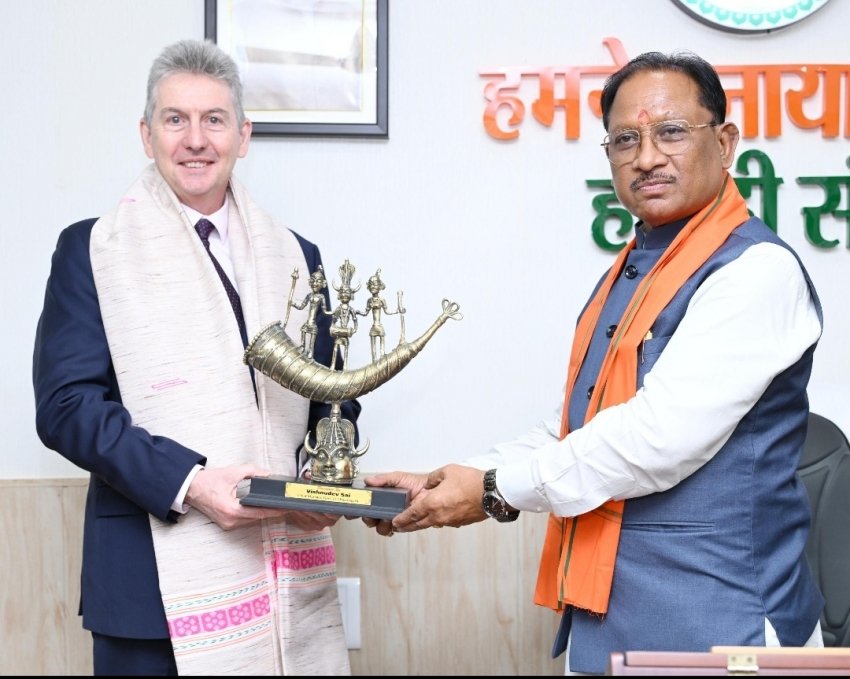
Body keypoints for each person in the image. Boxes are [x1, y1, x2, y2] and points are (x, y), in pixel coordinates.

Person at [363, 50, 825, 674]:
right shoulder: (635, 270)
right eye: (625, 139)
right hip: (609, 622)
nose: (647, 157)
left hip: (724, 627)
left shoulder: (755, 271)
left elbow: (654, 440)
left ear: (724, 143)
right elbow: (579, 427)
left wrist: (493, 492)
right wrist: (458, 476)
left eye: (671, 132)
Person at [32, 39, 360, 676]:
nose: (195, 140)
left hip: (283, 576)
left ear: (243, 135)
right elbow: (66, 408)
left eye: (214, 119)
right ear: (147, 134)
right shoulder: (92, 249)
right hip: (147, 585)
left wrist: (321, 479)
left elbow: (334, 394)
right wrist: (190, 482)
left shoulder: (299, 257)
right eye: (175, 119)